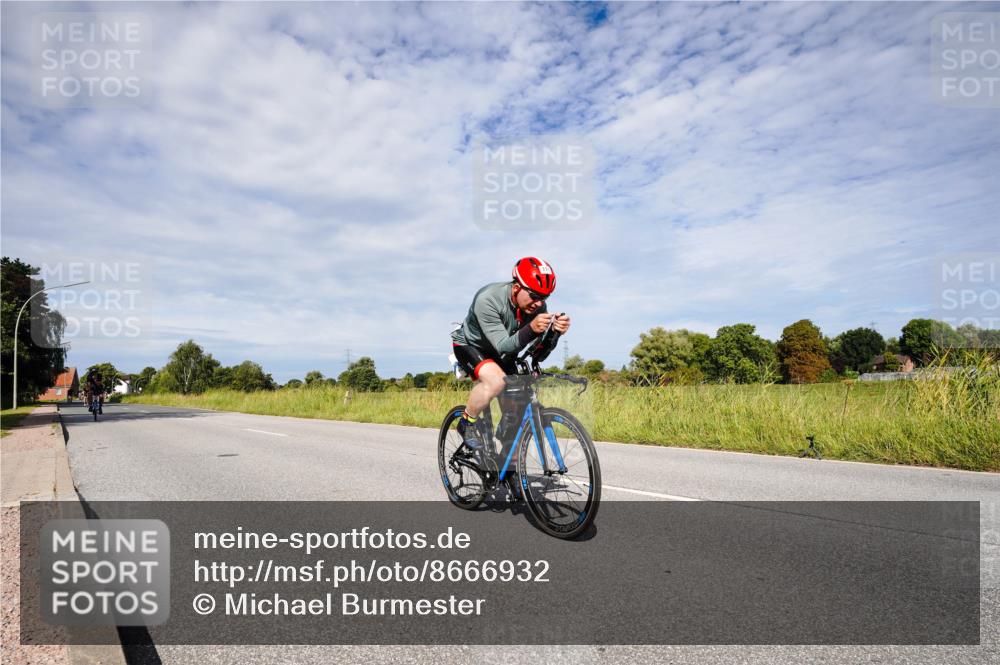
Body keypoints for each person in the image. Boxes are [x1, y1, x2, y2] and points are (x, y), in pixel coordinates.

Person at [451, 257, 570, 449]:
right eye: (534, 295)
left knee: (516, 418)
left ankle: (509, 473)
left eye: (544, 298)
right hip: (471, 346)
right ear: (516, 288)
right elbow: (503, 345)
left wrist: (554, 334)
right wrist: (531, 328)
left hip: (504, 353)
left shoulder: (537, 307)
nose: (539, 304)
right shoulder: (488, 299)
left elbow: (538, 355)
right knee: (496, 381)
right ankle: (466, 423)